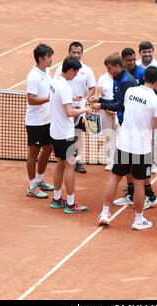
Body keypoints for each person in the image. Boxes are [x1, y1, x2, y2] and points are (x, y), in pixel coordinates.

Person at [95, 66, 157, 230]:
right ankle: (139, 219)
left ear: (144, 78)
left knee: (115, 177)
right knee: (139, 184)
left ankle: (105, 212)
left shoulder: (131, 92)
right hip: (141, 148)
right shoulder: (156, 100)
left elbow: (127, 108)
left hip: (124, 143)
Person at [90, 53, 157, 210]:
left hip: (134, 130)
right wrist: (100, 100)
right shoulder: (119, 78)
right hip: (125, 126)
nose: (108, 72)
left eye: (110, 69)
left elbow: (121, 105)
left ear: (117, 67)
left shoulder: (126, 82)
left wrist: (101, 105)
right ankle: (131, 193)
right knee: (129, 167)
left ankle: (149, 196)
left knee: (138, 168)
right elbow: (117, 101)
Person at [49, 57, 92, 214]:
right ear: (70, 70)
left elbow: (58, 101)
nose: (75, 76)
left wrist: (72, 99)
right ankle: (71, 204)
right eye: (75, 73)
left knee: (60, 164)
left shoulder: (54, 82)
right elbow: (69, 112)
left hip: (54, 131)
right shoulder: (65, 86)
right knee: (70, 166)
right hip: (66, 133)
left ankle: (56, 198)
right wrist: (84, 110)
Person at [54, 41, 97, 174]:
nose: (77, 55)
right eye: (74, 52)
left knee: (77, 135)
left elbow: (92, 88)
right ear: (69, 52)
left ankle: (76, 160)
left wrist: (84, 100)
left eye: (79, 52)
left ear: (82, 53)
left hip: (79, 108)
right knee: (64, 134)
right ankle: (63, 159)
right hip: (64, 108)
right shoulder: (61, 68)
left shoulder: (87, 70)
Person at [25, 43, 55, 199]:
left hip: (47, 120)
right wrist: (48, 99)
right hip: (35, 122)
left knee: (48, 148)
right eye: (49, 56)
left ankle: (40, 179)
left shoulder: (47, 71)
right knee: (33, 153)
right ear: (41, 58)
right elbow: (31, 100)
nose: (51, 59)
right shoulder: (33, 76)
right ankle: (32, 186)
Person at [136, 41, 157, 174]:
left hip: (153, 106)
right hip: (140, 105)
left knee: (153, 136)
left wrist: (147, 94)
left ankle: (152, 162)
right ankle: (139, 161)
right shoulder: (137, 65)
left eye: (149, 51)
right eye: (144, 52)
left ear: (153, 52)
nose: (147, 54)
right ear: (140, 53)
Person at [96, 71, 116, 171]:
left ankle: (121, 161)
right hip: (105, 110)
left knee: (121, 135)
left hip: (119, 110)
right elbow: (99, 95)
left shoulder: (123, 78)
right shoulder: (102, 78)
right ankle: (110, 161)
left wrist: (115, 109)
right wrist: (107, 108)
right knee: (108, 136)